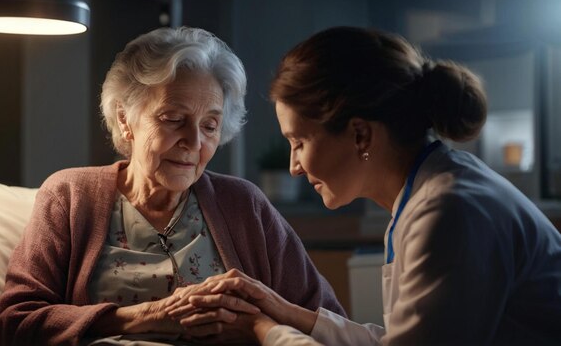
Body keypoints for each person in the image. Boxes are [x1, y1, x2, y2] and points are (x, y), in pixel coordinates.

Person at [165, 26, 561, 345]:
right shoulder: (428, 194)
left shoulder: (449, 210)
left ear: (360, 136)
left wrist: (261, 330)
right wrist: (280, 310)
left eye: (300, 143)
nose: (294, 168)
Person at [0, 26, 345, 345]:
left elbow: (326, 322)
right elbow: (16, 322)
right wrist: (146, 316)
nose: (193, 141)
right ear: (125, 119)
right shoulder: (70, 195)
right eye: (173, 119)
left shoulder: (243, 204)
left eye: (210, 125)